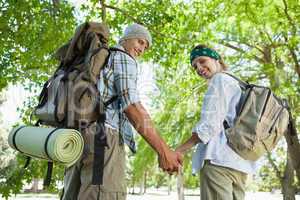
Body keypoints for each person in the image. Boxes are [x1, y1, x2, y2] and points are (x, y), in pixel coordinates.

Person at [61, 23, 182, 200]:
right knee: (104, 194)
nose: (142, 49)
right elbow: (131, 106)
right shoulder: (124, 58)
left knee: (74, 194)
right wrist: (163, 151)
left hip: (77, 136)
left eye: (145, 47)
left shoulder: (102, 60)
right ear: (125, 38)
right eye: (140, 42)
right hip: (103, 137)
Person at [175, 44, 258, 200]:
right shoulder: (237, 83)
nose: (199, 68)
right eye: (195, 66)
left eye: (202, 61)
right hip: (240, 163)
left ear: (216, 59)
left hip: (218, 162)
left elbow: (209, 126)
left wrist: (180, 149)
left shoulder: (219, 79)